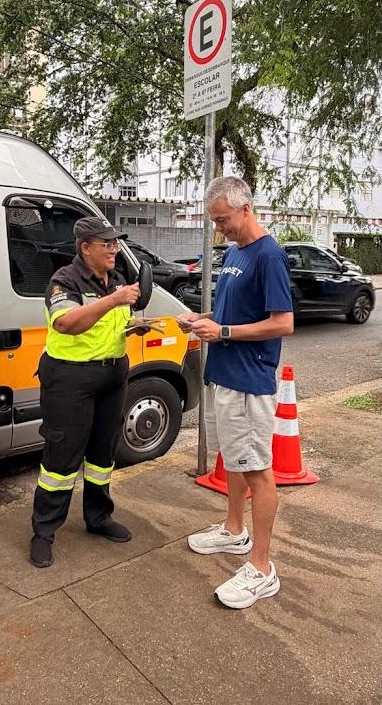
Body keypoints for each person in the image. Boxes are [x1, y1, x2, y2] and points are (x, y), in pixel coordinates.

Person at [178, 177, 294, 608]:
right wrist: (201, 319)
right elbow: (229, 312)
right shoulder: (235, 253)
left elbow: (283, 323)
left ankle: (263, 568)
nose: (219, 228)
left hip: (249, 381)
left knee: (258, 470)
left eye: (223, 219)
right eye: (214, 221)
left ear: (245, 209)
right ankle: (233, 531)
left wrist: (222, 331)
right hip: (225, 376)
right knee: (234, 459)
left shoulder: (269, 255)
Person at [30, 216, 142, 568]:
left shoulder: (117, 280)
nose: (114, 249)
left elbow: (113, 323)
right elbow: (67, 323)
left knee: (102, 456)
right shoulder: (64, 280)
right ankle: (44, 531)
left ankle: (98, 518)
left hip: (111, 376)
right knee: (61, 461)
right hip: (69, 380)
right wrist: (115, 300)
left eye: (115, 243)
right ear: (86, 247)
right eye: (107, 243)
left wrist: (134, 326)